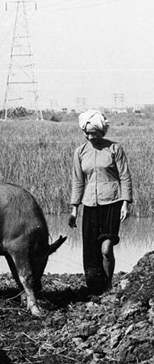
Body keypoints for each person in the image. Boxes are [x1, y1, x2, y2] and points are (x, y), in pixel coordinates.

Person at [68, 110, 133, 293]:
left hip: (112, 202)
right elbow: (78, 181)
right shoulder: (80, 152)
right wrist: (74, 209)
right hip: (90, 205)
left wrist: (126, 203)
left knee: (106, 248)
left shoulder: (114, 149)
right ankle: (97, 288)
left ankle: (109, 284)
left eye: (94, 133)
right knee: (90, 249)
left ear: (102, 132)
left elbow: (125, 177)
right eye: (87, 133)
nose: (90, 137)